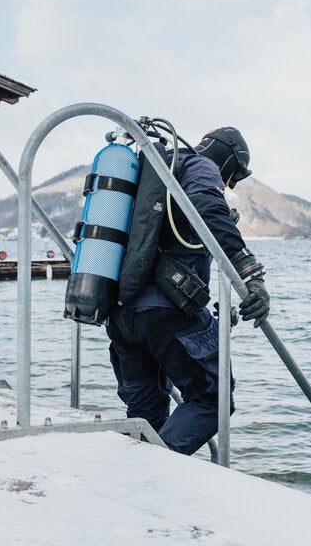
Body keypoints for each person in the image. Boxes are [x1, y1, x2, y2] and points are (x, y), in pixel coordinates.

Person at [106, 127, 270, 455]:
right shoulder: (199, 167)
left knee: (146, 412)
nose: (228, 186)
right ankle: (155, 473)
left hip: (122, 312)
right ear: (227, 161)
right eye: (232, 177)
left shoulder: (154, 172)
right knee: (214, 399)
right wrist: (250, 276)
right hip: (166, 310)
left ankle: (134, 480)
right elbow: (209, 210)